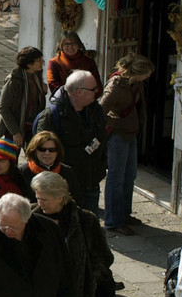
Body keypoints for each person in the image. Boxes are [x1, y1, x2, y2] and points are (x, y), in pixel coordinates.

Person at [33, 69, 107, 216]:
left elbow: (102, 139)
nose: (97, 92)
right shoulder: (52, 116)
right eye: (93, 89)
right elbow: (41, 152)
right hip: (65, 188)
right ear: (79, 92)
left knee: (89, 225)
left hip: (91, 183)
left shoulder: (96, 110)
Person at [100, 54, 155, 235]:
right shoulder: (116, 86)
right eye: (147, 73)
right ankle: (113, 221)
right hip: (118, 135)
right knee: (116, 178)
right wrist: (115, 123)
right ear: (138, 72)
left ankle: (124, 214)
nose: (148, 76)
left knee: (130, 175)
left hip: (131, 133)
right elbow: (100, 110)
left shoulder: (136, 84)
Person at [0, 47, 46, 148]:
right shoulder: (13, 80)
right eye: (39, 60)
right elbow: (3, 107)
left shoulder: (36, 75)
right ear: (29, 64)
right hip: (15, 127)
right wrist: (15, 132)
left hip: (32, 126)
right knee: (11, 156)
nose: (43, 62)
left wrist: (42, 91)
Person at [46, 30, 101, 96]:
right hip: (64, 101)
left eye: (73, 44)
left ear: (79, 45)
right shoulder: (54, 63)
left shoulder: (89, 62)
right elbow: (53, 85)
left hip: (87, 100)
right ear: (61, 46)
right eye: (66, 44)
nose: (70, 47)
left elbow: (97, 86)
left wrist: (86, 97)